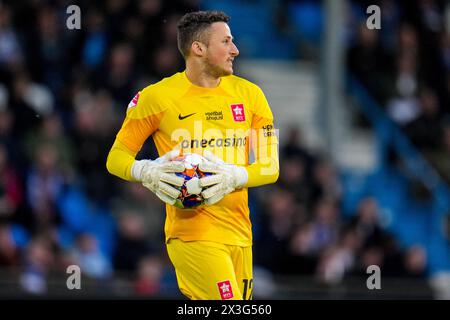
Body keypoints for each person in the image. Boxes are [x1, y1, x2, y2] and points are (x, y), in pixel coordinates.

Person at [106, 10, 279, 300]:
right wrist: (146, 171)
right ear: (198, 48)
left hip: (240, 234)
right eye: (226, 42)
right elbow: (116, 157)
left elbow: (271, 167)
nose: (235, 50)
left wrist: (233, 176)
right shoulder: (156, 97)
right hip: (192, 233)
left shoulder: (252, 96)